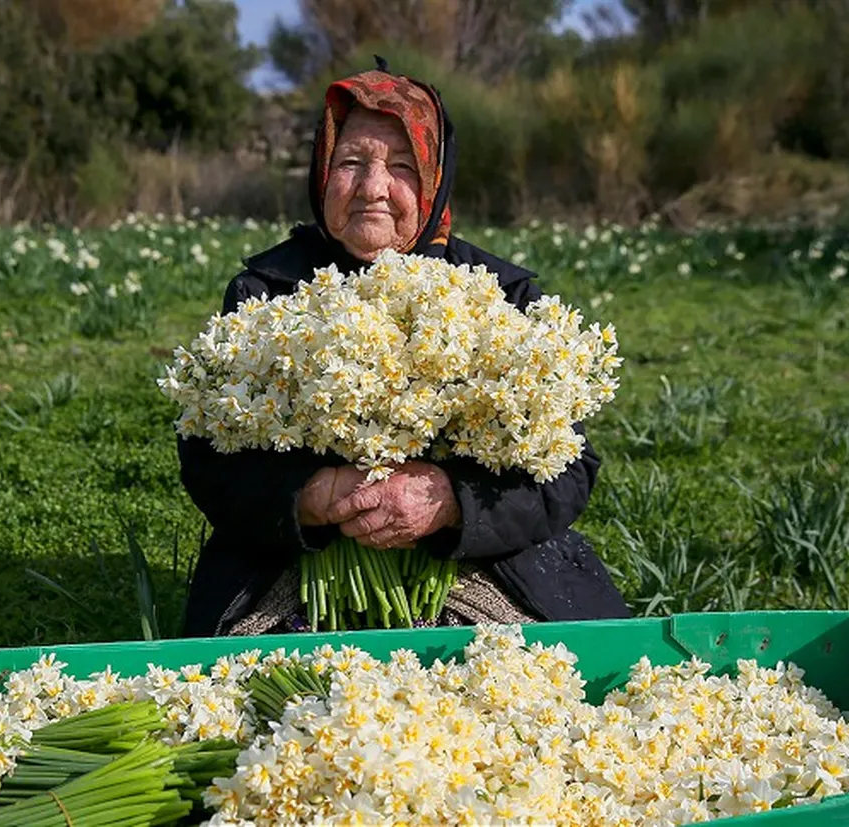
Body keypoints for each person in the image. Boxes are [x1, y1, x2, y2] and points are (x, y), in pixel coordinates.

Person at [176, 59, 631, 637]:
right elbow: (209, 459)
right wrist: (310, 496)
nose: (372, 189)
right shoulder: (267, 294)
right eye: (350, 163)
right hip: (304, 570)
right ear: (322, 172)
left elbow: (568, 472)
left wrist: (451, 502)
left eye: (400, 166)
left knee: (503, 673)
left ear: (434, 177)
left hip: (470, 565)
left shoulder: (501, 297)